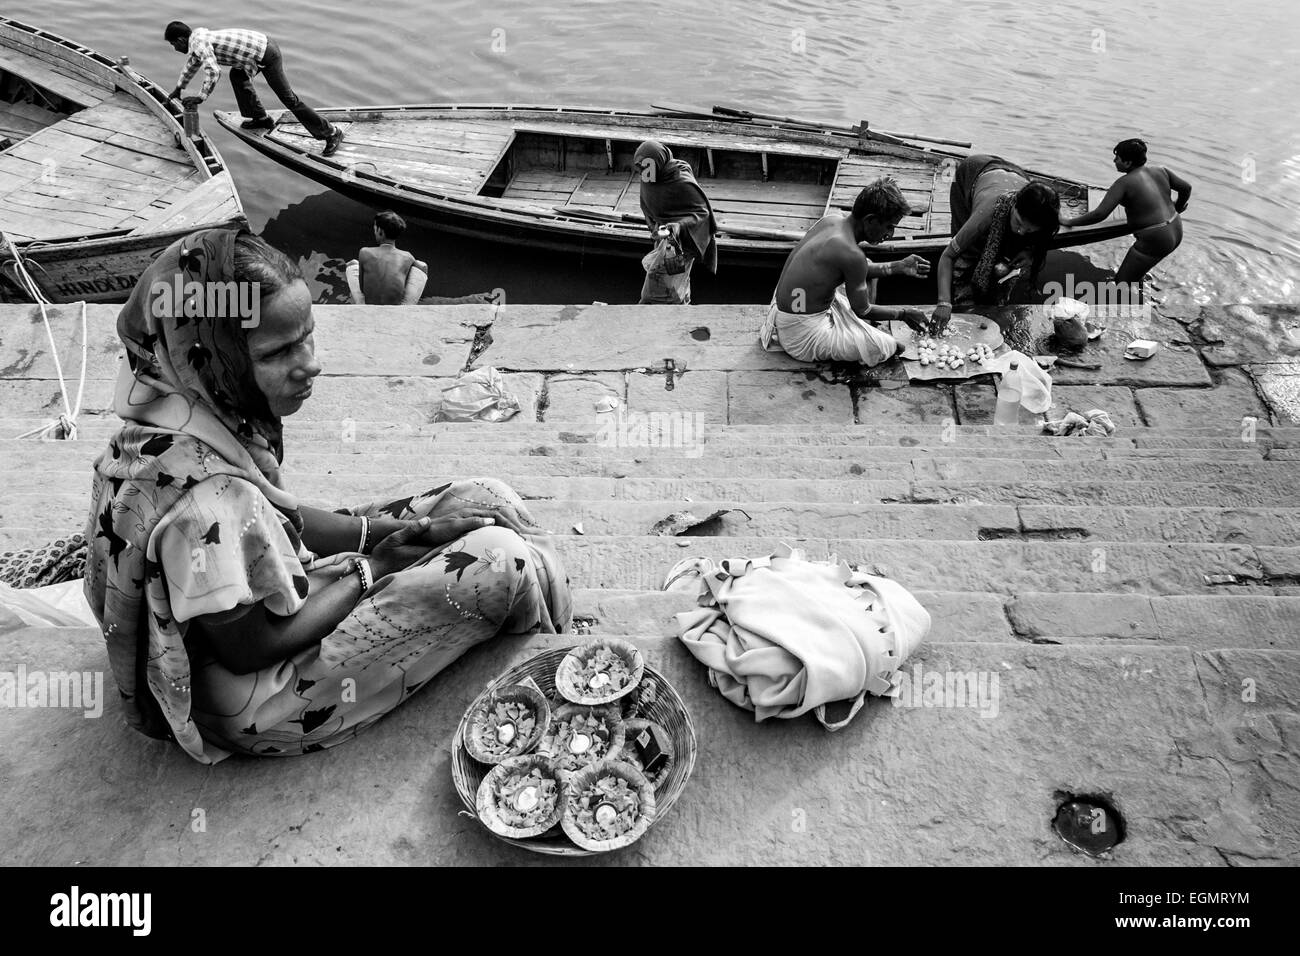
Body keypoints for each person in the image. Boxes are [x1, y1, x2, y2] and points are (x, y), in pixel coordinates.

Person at [81, 228, 571, 763]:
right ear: (211, 355)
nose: (310, 363)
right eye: (279, 351)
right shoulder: (203, 503)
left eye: (307, 336)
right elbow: (249, 650)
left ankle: (547, 637)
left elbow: (273, 518)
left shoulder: (183, 402)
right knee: (504, 561)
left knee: (485, 498)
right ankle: (554, 671)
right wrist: (376, 566)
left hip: (284, 593)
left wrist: (398, 533)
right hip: (257, 697)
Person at [760, 177, 931, 366]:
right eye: (889, 226)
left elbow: (859, 269)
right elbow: (863, 310)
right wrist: (904, 313)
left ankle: (859, 329)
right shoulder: (851, 254)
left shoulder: (831, 220)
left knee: (866, 265)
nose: (890, 234)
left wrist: (898, 266)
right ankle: (863, 332)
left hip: (789, 306)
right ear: (870, 220)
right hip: (800, 334)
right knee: (888, 346)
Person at [163, 21, 344, 157]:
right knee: (238, 75)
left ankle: (332, 133)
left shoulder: (199, 43)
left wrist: (200, 97)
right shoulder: (197, 41)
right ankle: (261, 118)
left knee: (289, 100)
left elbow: (214, 71)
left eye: (173, 44)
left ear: (180, 40)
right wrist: (179, 88)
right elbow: (193, 64)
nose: (174, 48)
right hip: (252, 56)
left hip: (267, 54)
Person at [932, 156, 1061, 332]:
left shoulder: (1042, 217)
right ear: (1013, 204)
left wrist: (1029, 253)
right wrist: (944, 302)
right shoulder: (985, 214)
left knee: (1006, 253)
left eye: (1029, 230)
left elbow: (1038, 239)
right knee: (968, 253)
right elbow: (947, 256)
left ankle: (989, 289)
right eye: (1019, 223)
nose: (1021, 232)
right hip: (971, 172)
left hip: (1016, 174)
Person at [1060, 138, 1191, 285]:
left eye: (1118, 158)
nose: (1114, 160)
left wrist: (1069, 221)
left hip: (1155, 238)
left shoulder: (1123, 183)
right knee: (1134, 276)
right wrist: (1177, 208)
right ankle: (1139, 290)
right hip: (1175, 227)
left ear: (1128, 163)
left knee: (1120, 283)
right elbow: (1186, 188)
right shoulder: (1161, 171)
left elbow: (1100, 214)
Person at [634, 141, 718, 304]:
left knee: (652, 293)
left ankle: (652, 317)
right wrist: (652, 224)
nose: (644, 173)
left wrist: (678, 226)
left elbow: (702, 213)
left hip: (683, 240)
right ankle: (681, 309)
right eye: (641, 167)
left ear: (658, 161)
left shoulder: (680, 179)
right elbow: (646, 201)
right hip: (663, 236)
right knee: (676, 285)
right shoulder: (648, 173)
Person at [345, 211, 428, 304]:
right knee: (422, 265)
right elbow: (420, 267)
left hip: (368, 307)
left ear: (380, 231)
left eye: (375, 228)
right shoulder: (407, 256)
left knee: (352, 263)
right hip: (396, 310)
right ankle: (407, 307)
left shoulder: (364, 252)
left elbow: (362, 288)